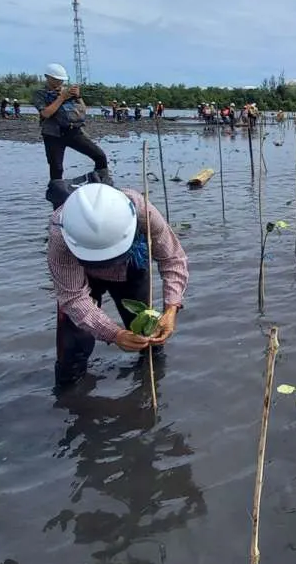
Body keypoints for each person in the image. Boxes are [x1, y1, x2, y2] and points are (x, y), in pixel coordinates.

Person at [47, 182, 189, 388]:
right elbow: (72, 297)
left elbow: (173, 259)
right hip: (81, 276)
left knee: (148, 334)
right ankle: (72, 400)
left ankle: (150, 386)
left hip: (131, 266)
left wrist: (171, 309)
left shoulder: (142, 212)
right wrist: (114, 334)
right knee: (72, 348)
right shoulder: (60, 235)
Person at [32, 63, 110, 183]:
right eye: (56, 80)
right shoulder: (39, 93)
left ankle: (101, 185)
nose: (60, 83)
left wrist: (78, 96)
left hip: (73, 131)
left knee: (100, 156)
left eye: (61, 80)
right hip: (53, 134)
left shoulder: (67, 92)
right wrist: (61, 98)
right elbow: (46, 114)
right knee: (56, 169)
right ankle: (57, 196)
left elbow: (83, 110)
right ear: (47, 77)